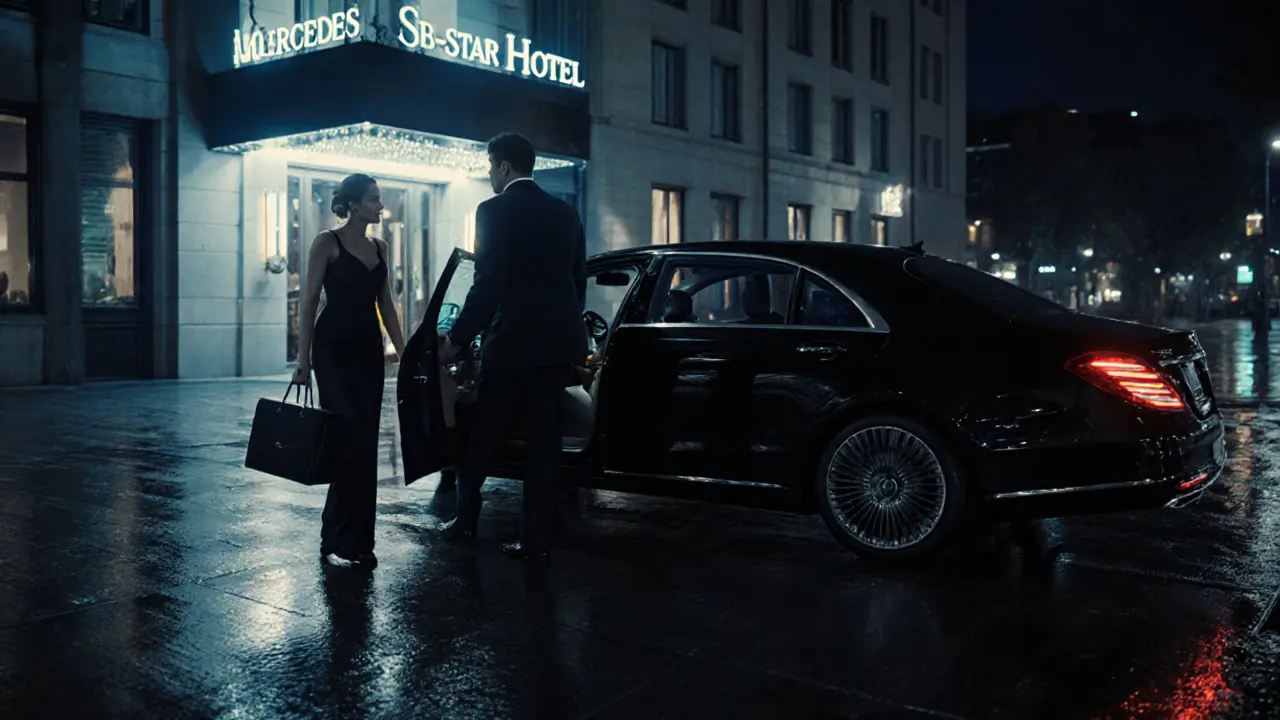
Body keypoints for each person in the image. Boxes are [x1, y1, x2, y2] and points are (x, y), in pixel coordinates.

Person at [437, 132, 587, 566]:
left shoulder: (493, 210)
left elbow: (488, 283)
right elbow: (577, 281)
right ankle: (535, 539)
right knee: (545, 444)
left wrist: (458, 338)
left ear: (503, 167)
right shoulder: (565, 213)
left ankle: (465, 519)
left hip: (513, 343)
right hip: (557, 344)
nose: (488, 175)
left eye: (489, 167)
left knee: (481, 435)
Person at [294, 173, 406, 570]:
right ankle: (340, 538)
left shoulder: (380, 246)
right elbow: (308, 303)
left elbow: (387, 305)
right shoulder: (327, 242)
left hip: (367, 350)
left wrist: (404, 350)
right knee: (348, 438)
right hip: (333, 350)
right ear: (355, 204)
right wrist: (302, 360)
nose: (380, 206)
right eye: (374, 199)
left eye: (380, 200)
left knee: (366, 441)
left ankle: (356, 540)